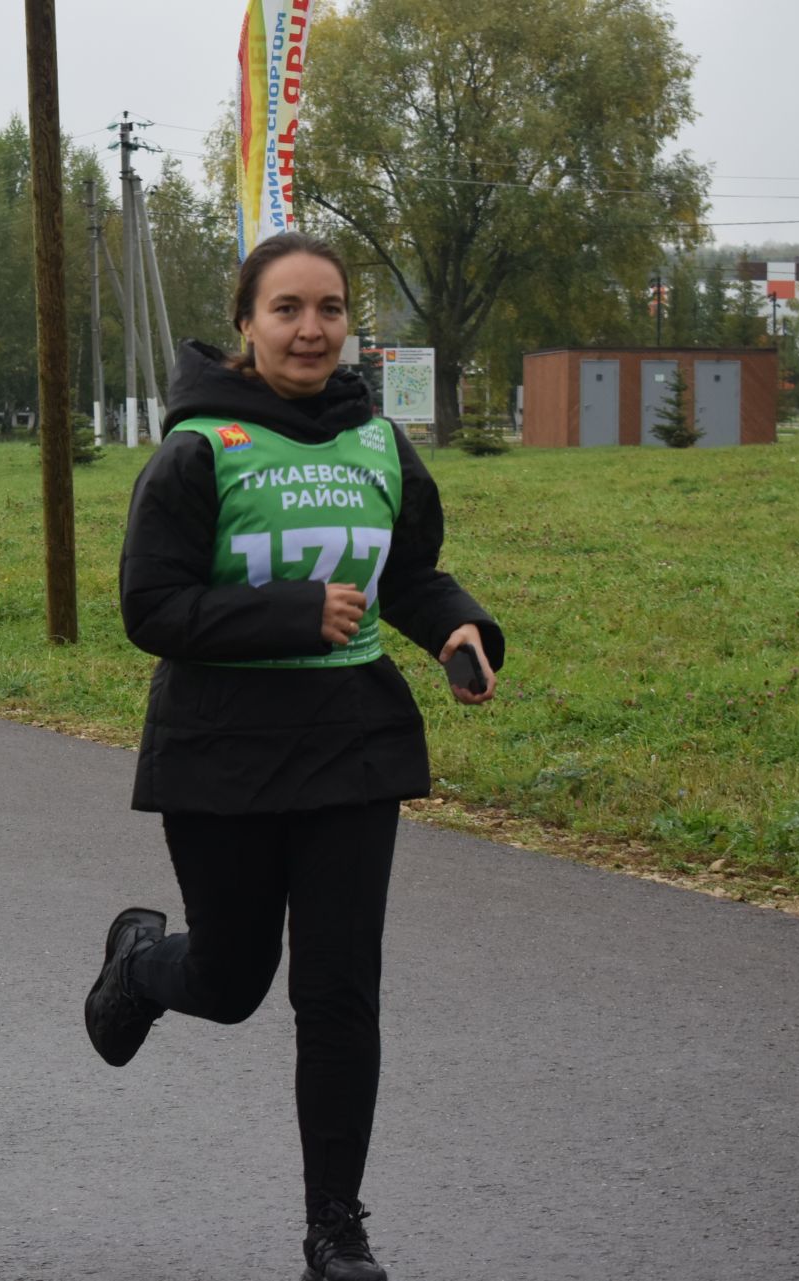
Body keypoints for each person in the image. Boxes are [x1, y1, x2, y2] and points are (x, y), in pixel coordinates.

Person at [83, 232, 504, 1281]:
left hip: (353, 745)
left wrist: (459, 629)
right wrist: (292, 612)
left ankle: (336, 1230)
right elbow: (152, 607)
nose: (311, 329)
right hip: (220, 748)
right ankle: (141, 962)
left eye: (329, 308)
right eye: (287, 310)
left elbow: (408, 572)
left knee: (339, 991)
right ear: (246, 324)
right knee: (231, 982)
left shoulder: (378, 442)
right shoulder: (198, 449)